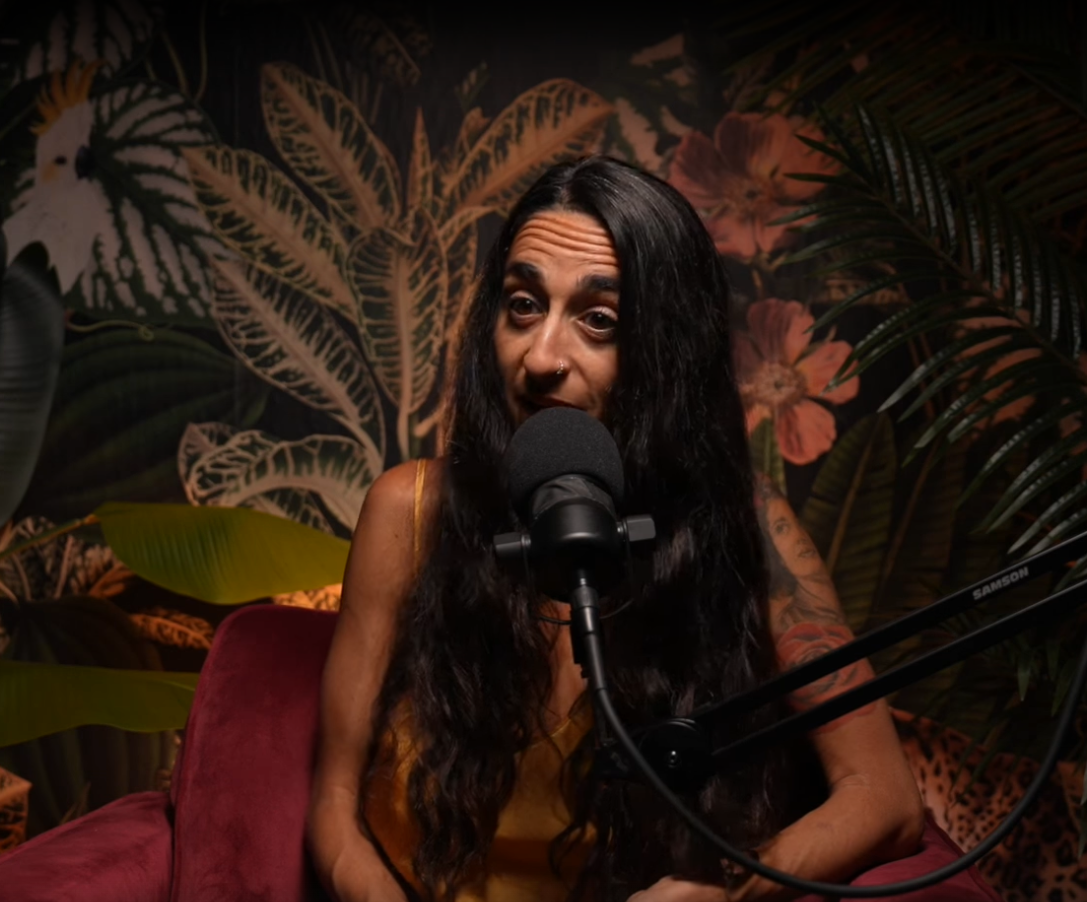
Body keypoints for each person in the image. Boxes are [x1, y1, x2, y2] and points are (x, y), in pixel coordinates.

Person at [306, 156, 1001, 902]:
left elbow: (883, 799)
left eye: (597, 321)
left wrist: (734, 896)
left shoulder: (742, 522)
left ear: (665, 353)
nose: (541, 358)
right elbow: (332, 808)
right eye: (521, 305)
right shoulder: (408, 514)